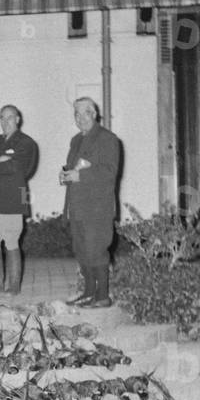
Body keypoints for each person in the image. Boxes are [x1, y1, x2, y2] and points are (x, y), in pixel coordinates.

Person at [60, 97, 121, 309]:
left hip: (97, 208)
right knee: (82, 251)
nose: (80, 118)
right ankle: (88, 292)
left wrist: (80, 176)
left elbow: (109, 171)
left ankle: (103, 295)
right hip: (77, 206)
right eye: (76, 114)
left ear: (94, 114)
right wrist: (65, 175)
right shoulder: (75, 140)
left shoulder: (108, 139)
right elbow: (73, 168)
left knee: (96, 250)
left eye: (84, 113)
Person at [0, 104, 39, 295]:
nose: (5, 122)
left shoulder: (27, 143)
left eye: (9, 117)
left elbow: (16, 167)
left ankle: (14, 285)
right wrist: (0, 158)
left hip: (13, 196)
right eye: (2, 118)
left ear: (18, 119)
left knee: (11, 238)